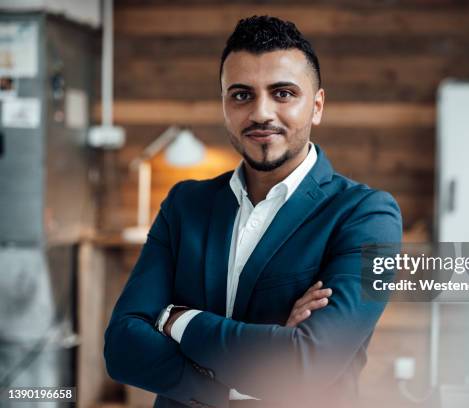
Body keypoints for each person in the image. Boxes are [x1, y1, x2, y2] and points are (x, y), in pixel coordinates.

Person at [104, 15, 402, 408]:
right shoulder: (184, 205)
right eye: (242, 95)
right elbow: (121, 348)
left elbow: (308, 364)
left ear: (316, 106)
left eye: (283, 93)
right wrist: (255, 367)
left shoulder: (370, 217)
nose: (261, 113)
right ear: (225, 105)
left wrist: (177, 320)